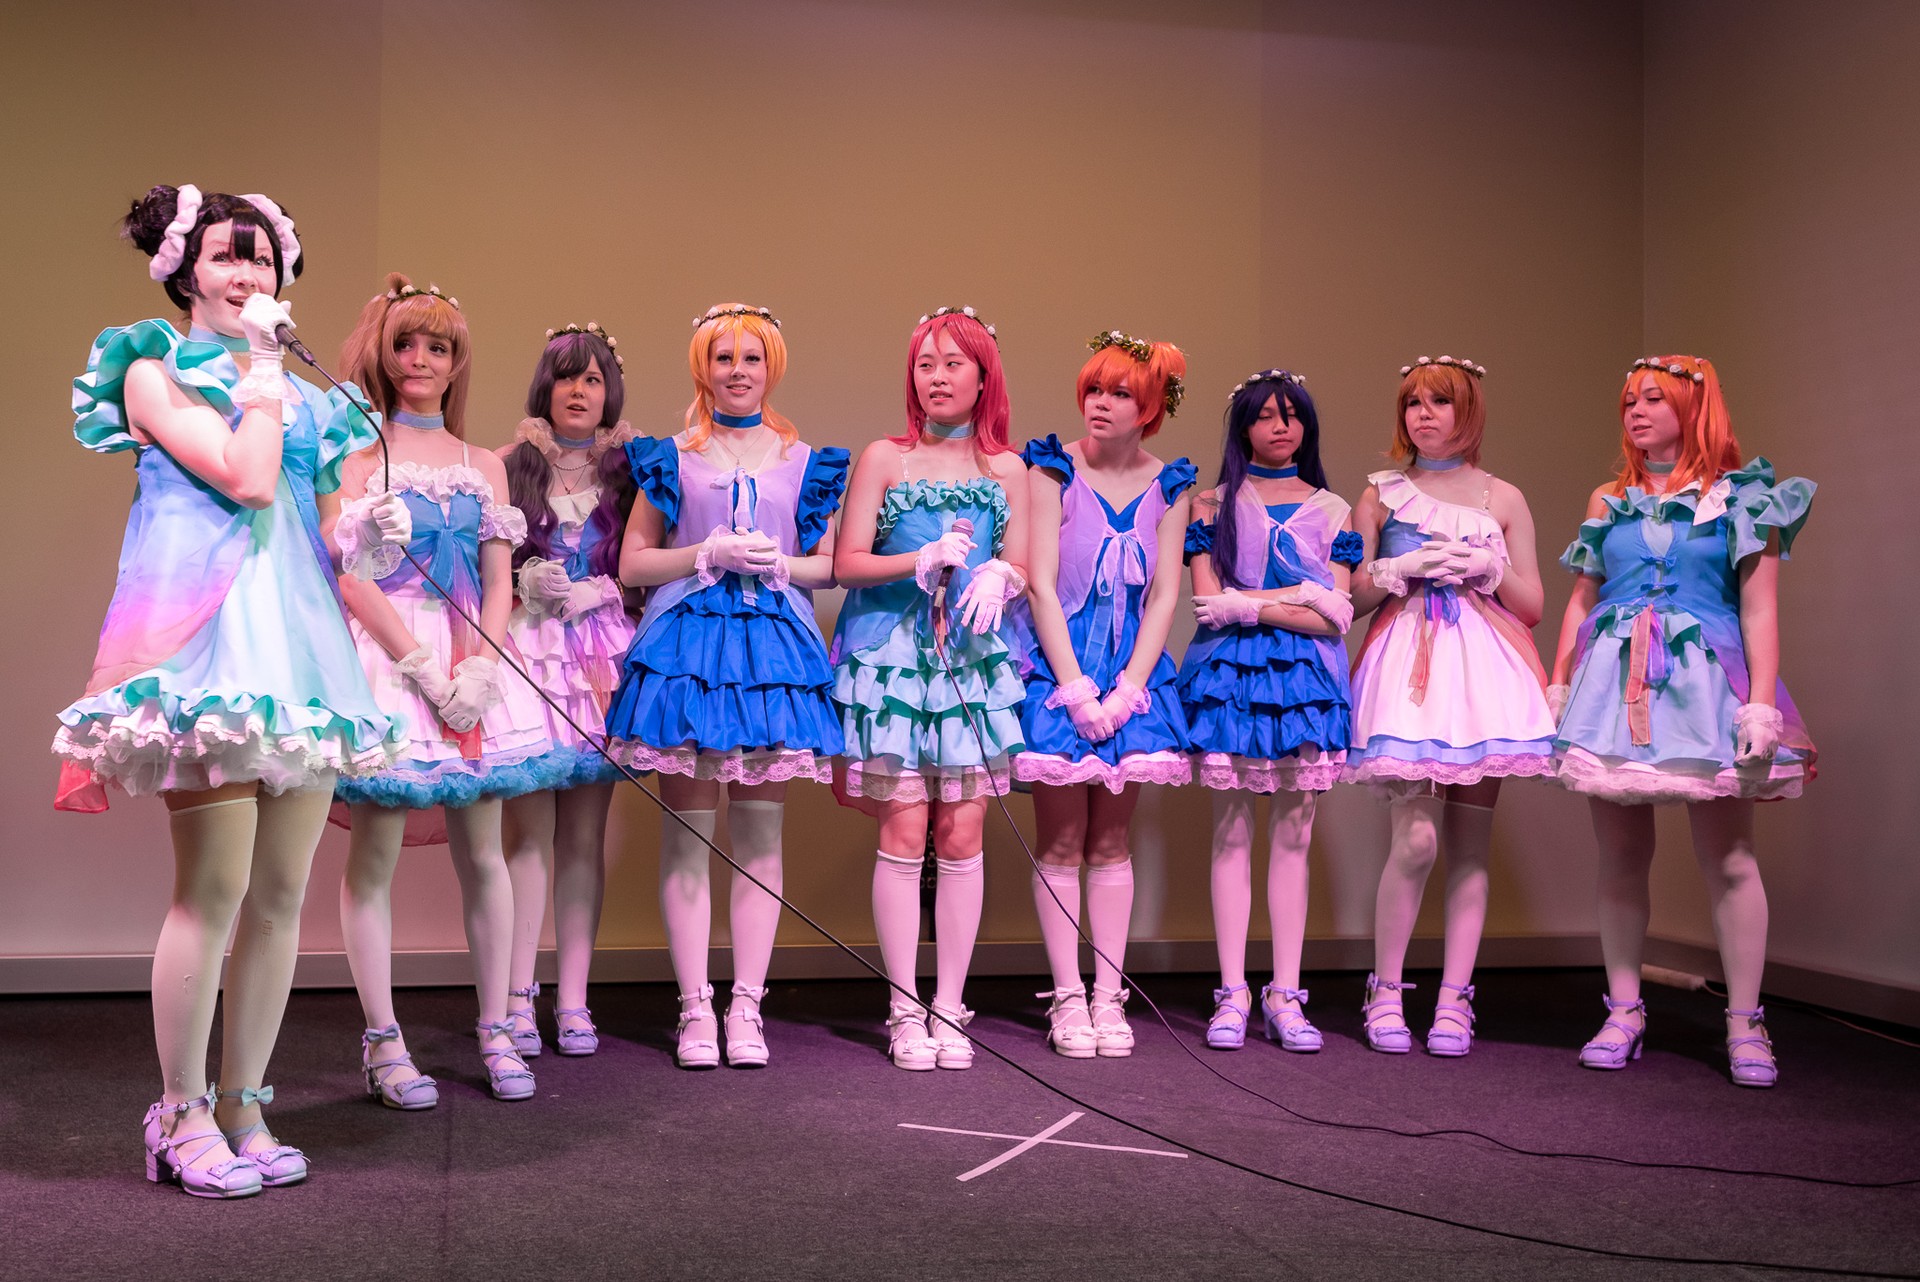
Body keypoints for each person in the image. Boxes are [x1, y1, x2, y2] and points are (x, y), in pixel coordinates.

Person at [56, 184, 406, 1195]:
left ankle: (246, 1103)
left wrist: (368, 534)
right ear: (185, 273)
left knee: (283, 897)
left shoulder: (315, 401)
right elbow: (246, 477)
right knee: (212, 892)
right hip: (206, 645)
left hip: (299, 649)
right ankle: (180, 1112)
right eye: (225, 255)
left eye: (260, 257)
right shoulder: (153, 371)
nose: (247, 272)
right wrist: (262, 364)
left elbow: (326, 530)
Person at [331, 275, 569, 1104]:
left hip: (472, 657)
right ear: (384, 353)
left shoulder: (483, 466)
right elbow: (353, 579)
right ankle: (383, 1043)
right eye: (406, 344)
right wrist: (422, 670)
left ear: (456, 360)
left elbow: (500, 579)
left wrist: (483, 665)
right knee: (374, 856)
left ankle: (498, 1027)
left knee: (484, 852)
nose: (420, 359)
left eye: (437, 346)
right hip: (388, 661)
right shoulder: (358, 460)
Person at [1548, 355, 1814, 1088]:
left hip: (1706, 684)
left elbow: (1758, 609)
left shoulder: (1746, 497)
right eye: (1629, 400)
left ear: (1693, 409)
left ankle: (1746, 1022)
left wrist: (1761, 703)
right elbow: (1582, 598)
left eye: (1653, 399)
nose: (1635, 411)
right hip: (1613, 686)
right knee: (1620, 853)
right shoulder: (1611, 498)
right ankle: (1623, 1010)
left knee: (1728, 856)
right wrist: (1559, 681)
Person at [606, 303, 847, 1069]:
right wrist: (704, 554)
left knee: (760, 841)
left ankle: (747, 1007)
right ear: (702, 368)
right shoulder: (670, 458)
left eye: (751, 357)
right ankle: (693, 1009)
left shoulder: (805, 462)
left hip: (773, 659)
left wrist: (781, 564)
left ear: (772, 367)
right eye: (723, 358)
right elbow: (633, 563)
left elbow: (830, 565)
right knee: (687, 839)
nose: (737, 371)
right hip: (688, 655)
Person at [831, 306, 1030, 1071]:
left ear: (984, 376)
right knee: (905, 832)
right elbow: (847, 563)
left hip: (970, 664)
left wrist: (1002, 573)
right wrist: (914, 562)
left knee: (963, 834)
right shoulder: (886, 457)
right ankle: (904, 1007)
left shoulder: (1008, 470)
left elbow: (1025, 565)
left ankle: (951, 1005)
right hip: (892, 661)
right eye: (925, 363)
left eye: (953, 363)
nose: (937, 377)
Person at [1347, 355, 1554, 1057]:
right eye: (1413, 403)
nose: (1424, 414)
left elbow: (1532, 603)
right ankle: (1385, 990)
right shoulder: (1380, 495)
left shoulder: (1504, 497)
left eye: (1438, 402)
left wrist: (1491, 571)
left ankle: (1455, 998)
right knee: (1416, 840)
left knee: (1469, 842)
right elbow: (1351, 600)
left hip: (1483, 671)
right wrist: (1395, 570)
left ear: (1468, 411)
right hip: (1408, 664)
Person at [1016, 331, 1194, 1059]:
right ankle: (1067, 998)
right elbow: (1038, 582)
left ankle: (1108, 995)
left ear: (1149, 407)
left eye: (1120, 393)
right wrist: (1076, 691)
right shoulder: (1052, 470)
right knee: (1061, 839)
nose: (1101, 403)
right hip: (1060, 671)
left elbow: (1165, 594)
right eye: (1094, 389)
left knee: (1111, 841)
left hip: (1130, 677)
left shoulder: (1170, 484)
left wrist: (1128, 692)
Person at [1179, 369, 1364, 1054]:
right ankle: (1231, 993)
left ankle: (1285, 994)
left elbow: (1335, 615)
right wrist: (1299, 597)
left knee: (1294, 837)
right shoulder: (1210, 503)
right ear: (1243, 426)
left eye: (1292, 414)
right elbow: (1208, 603)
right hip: (1229, 677)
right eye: (1265, 415)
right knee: (1230, 833)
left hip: (1307, 681)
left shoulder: (1334, 508)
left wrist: (1251, 603)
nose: (1280, 425)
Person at [496, 323, 640, 1059]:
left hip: (603, 662)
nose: (578, 391)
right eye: (565, 376)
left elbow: (651, 568)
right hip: (528, 654)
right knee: (526, 836)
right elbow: (481, 569)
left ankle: (575, 999)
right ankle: (515, 997)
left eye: (592, 378)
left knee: (584, 837)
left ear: (609, 391)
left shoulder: (633, 472)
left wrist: (604, 590)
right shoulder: (508, 466)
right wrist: (524, 580)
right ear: (544, 387)